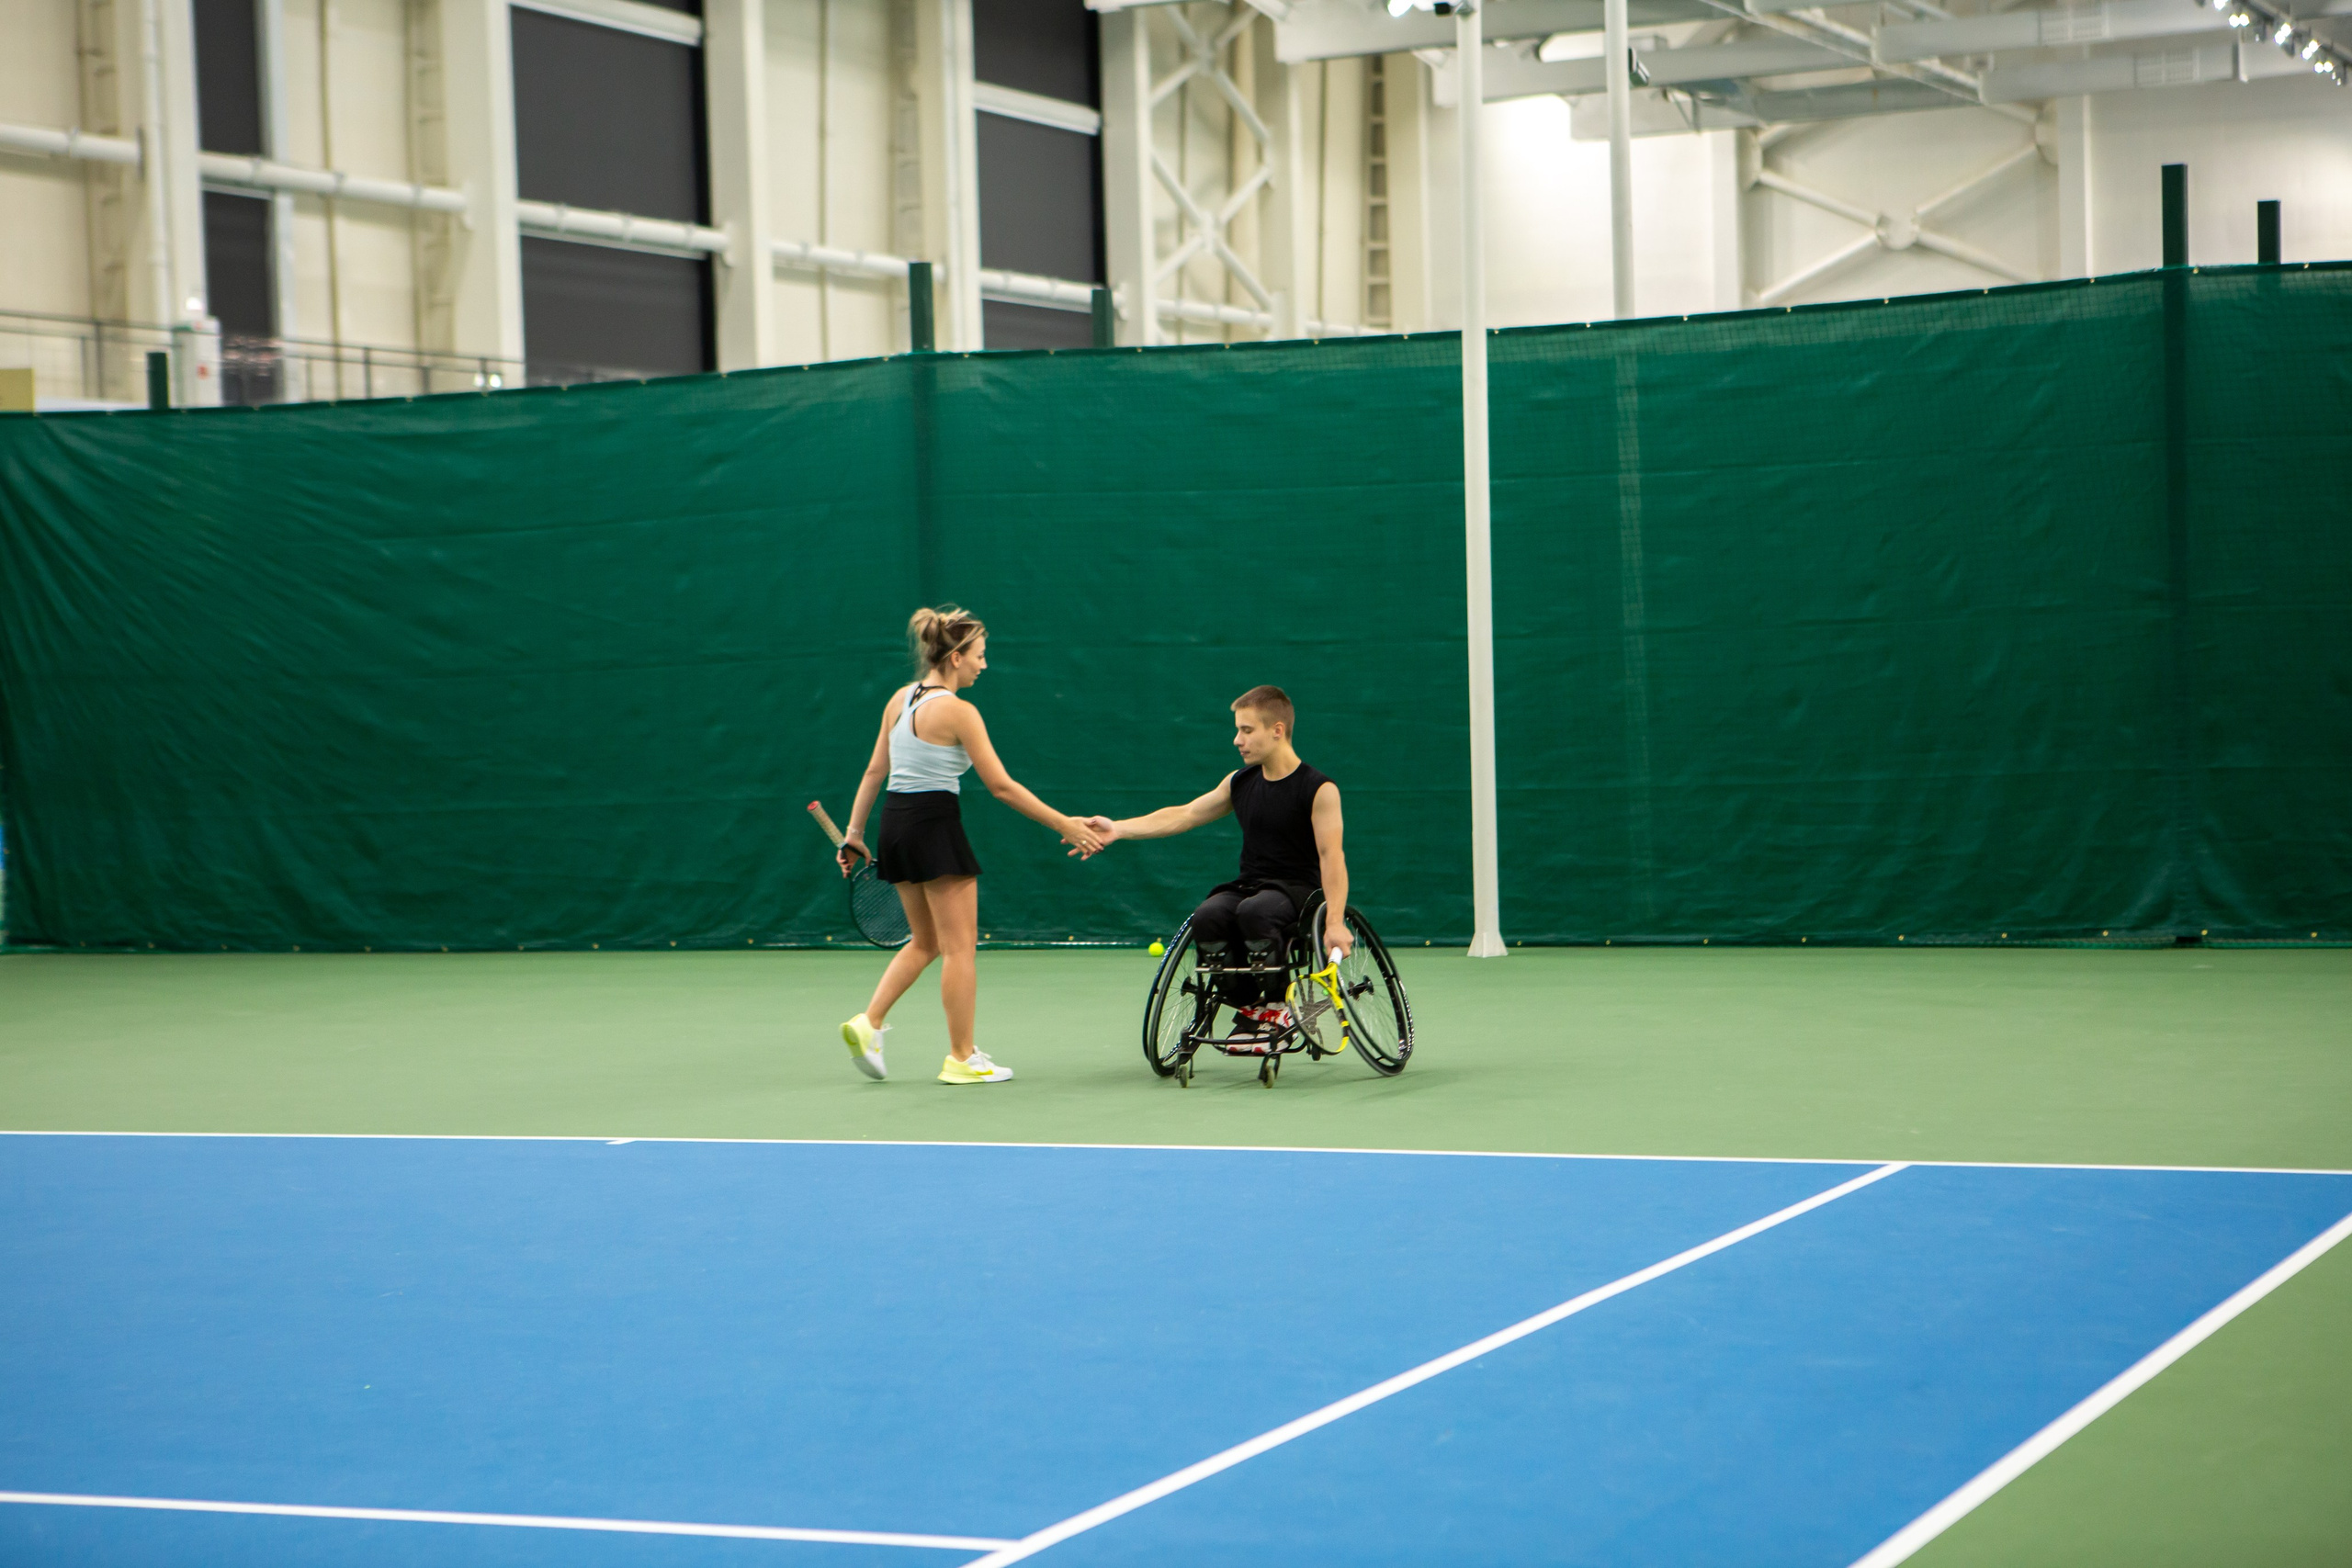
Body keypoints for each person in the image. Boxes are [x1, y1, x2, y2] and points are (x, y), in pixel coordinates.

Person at [835, 606, 1103, 1084]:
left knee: (926, 942)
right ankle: (962, 1057)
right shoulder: (960, 712)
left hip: (894, 824)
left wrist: (855, 835)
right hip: (933, 824)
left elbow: (876, 771)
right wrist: (1064, 823)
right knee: (960, 948)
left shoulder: (899, 700)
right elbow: (1001, 786)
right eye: (980, 655)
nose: (985, 664)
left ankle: (868, 1022)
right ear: (955, 657)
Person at [1086, 685, 1348, 1050]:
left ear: (1276, 730)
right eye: (1238, 730)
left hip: (1300, 890)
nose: (1237, 740)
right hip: (1252, 885)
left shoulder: (1319, 789)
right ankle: (1249, 1008)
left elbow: (1331, 856)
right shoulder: (1239, 782)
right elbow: (1185, 814)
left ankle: (1277, 1006)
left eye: (1246, 730)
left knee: (1256, 911)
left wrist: (1334, 922)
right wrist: (1118, 829)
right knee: (1208, 916)